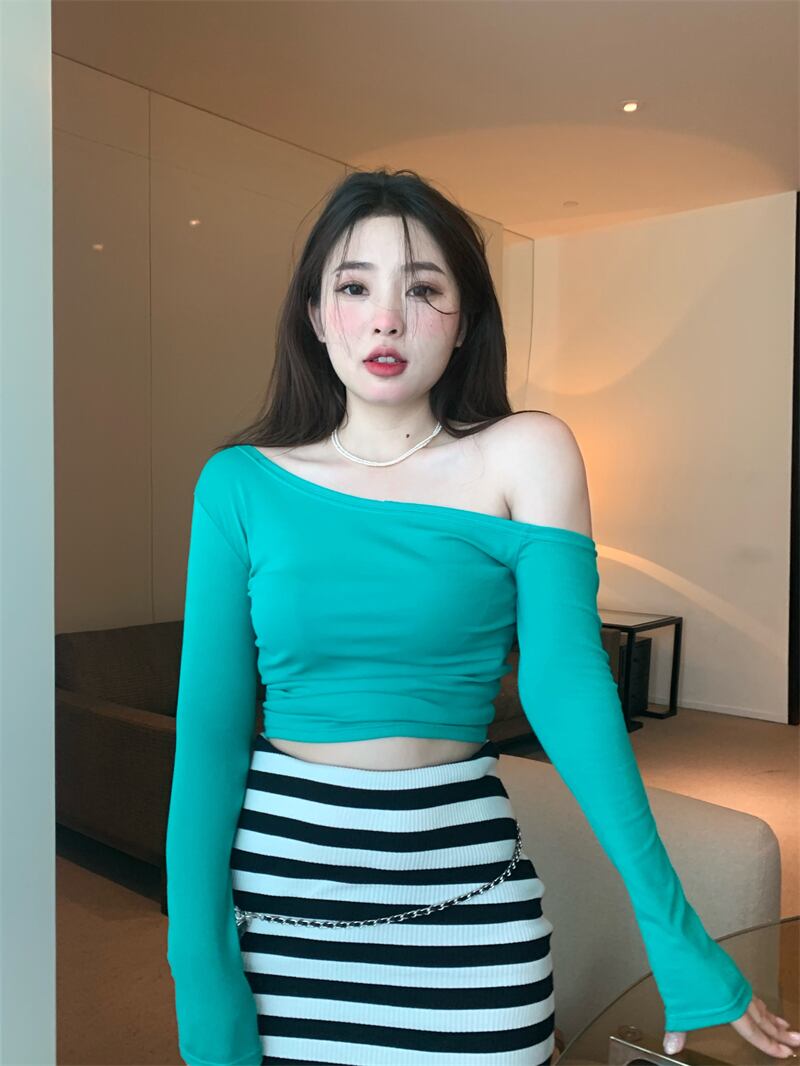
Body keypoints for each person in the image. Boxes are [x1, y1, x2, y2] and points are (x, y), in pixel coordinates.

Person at [165, 167, 799, 1066]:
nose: (387, 319)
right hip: (282, 915)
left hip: (469, 905)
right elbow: (208, 740)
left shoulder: (526, 455)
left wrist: (675, 930)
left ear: (464, 322)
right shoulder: (238, 483)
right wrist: (200, 973)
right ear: (315, 314)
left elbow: (569, 688)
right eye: (355, 287)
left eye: (424, 289)